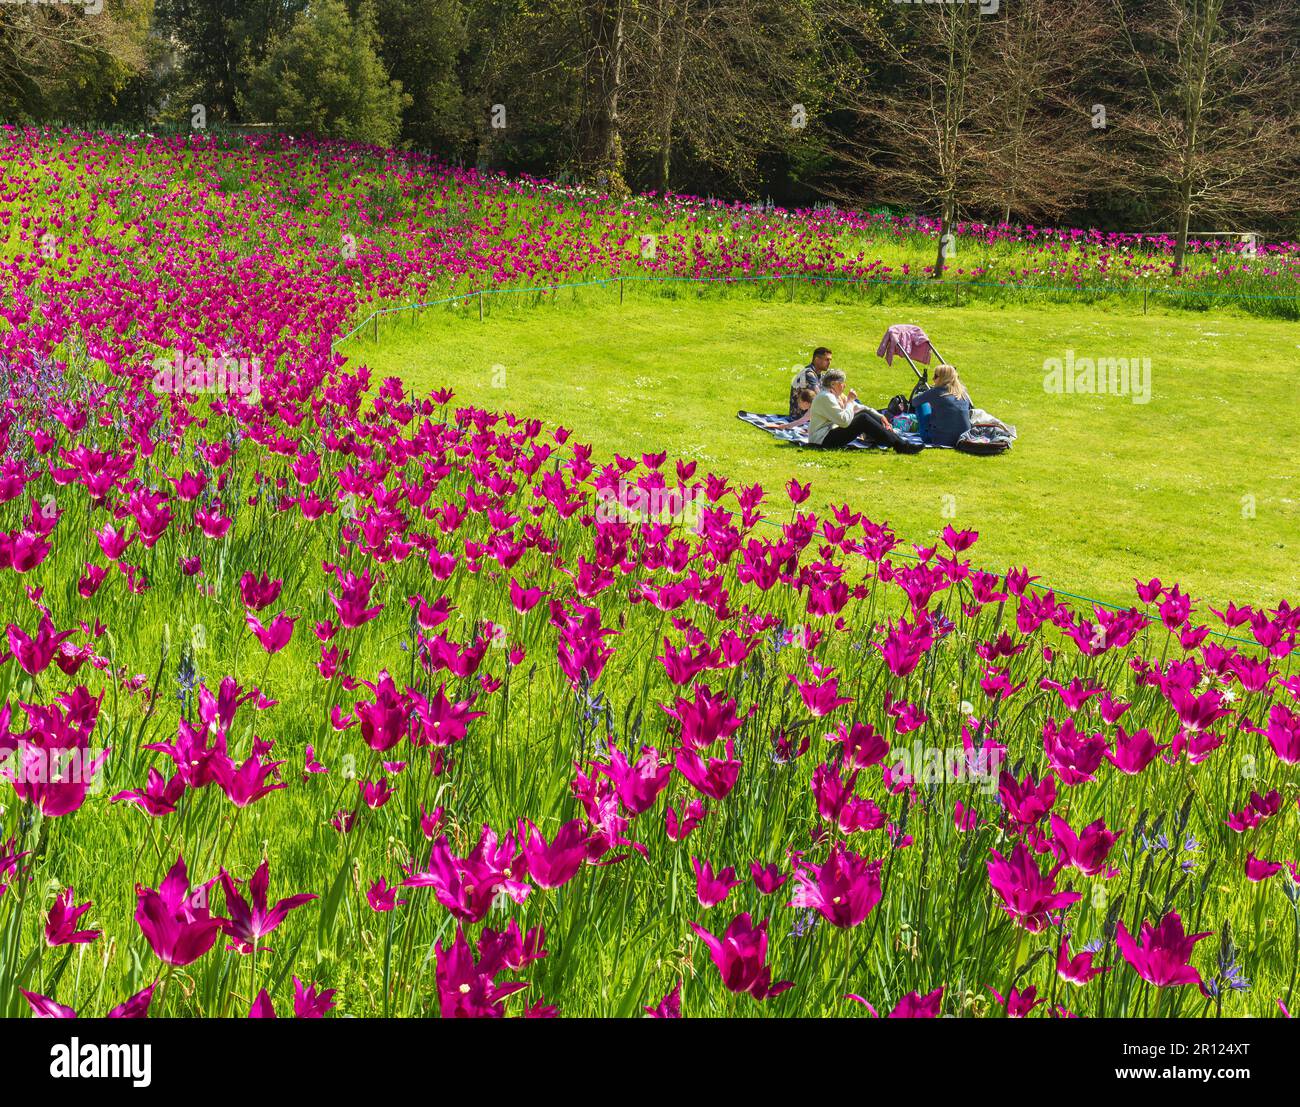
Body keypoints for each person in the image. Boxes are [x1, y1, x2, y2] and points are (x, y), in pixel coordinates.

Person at [808, 370, 924, 453]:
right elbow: (844, 421)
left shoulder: (833, 395)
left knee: (865, 415)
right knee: (862, 419)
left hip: (827, 435)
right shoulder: (826, 397)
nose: (845, 385)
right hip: (822, 440)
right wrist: (849, 401)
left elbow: (860, 408)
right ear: (834, 384)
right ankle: (900, 445)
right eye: (843, 382)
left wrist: (880, 417)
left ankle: (898, 442)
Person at [911, 364, 973, 448]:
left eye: (936, 376)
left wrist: (926, 395)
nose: (933, 379)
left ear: (943, 378)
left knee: (922, 405)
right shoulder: (963, 393)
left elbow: (914, 402)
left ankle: (922, 430)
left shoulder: (936, 391)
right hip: (963, 438)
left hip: (941, 440)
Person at [789, 347, 831, 420]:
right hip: (799, 417)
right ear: (817, 359)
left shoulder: (821, 375)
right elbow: (820, 395)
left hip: (810, 415)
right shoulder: (808, 374)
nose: (829, 362)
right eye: (827, 360)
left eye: (830, 360)